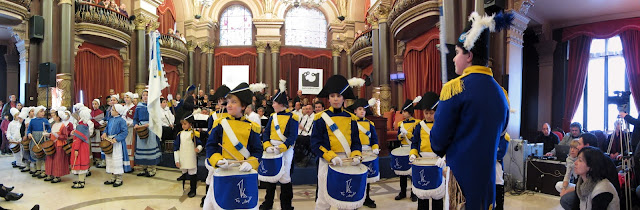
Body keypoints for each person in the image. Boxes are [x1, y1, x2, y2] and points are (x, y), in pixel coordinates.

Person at [430, 12, 512, 210]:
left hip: (461, 181)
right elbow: (502, 137)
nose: (454, 59)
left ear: (469, 56)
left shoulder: (454, 88)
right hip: (487, 181)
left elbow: (438, 141)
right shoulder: (501, 93)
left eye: (457, 52)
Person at [203, 82, 263, 210]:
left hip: (243, 172)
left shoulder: (252, 127)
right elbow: (211, 146)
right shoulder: (220, 124)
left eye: (233, 102)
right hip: (223, 170)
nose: (229, 105)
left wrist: (251, 163)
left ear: (243, 106)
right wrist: (217, 160)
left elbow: (257, 150)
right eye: (228, 101)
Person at [310, 75, 364, 210]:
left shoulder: (351, 118)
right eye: (332, 96)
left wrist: (357, 155)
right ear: (328, 98)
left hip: (347, 161)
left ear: (343, 98)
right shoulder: (320, 118)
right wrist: (330, 156)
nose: (335, 99)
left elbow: (356, 142)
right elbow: (315, 143)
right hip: (327, 161)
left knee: (346, 200)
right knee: (323, 199)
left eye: (338, 96)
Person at [259, 80, 299, 210]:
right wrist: (267, 145)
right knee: (271, 178)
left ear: (281, 104)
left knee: (285, 178)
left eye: (274, 103)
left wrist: (281, 148)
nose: (273, 105)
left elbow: (292, 137)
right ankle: (268, 203)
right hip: (271, 149)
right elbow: (266, 134)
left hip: (286, 150)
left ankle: (286, 206)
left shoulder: (293, 117)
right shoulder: (272, 116)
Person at [408, 92, 445, 209]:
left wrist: (444, 157)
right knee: (422, 195)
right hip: (422, 161)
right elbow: (414, 143)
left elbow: (446, 144)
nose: (428, 115)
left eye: (431, 113)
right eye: (426, 113)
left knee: (437, 195)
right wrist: (413, 154)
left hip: (437, 161)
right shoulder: (419, 126)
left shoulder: (442, 126)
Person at [347, 98, 380, 208]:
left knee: (367, 177)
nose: (362, 112)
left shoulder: (370, 124)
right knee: (356, 176)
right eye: (359, 109)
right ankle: (356, 197)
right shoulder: (351, 123)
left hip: (367, 153)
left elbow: (374, 139)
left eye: (364, 110)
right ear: (355, 111)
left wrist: (375, 147)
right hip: (355, 153)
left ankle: (366, 197)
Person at [559, 132, 599, 209]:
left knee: (566, 199)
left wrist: (566, 192)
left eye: (579, 145)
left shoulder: (594, 161)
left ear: (587, 146)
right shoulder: (589, 157)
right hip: (584, 186)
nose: (574, 150)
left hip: (593, 189)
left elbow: (588, 185)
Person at [395, 98, 421, 202]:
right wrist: (401, 135)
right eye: (403, 112)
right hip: (403, 149)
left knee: (412, 173)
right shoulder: (400, 123)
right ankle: (402, 192)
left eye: (405, 112)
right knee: (402, 172)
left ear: (410, 112)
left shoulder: (417, 123)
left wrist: (408, 134)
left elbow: (416, 138)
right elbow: (397, 137)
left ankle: (414, 193)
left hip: (412, 149)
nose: (403, 114)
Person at [133, 91, 162, 177]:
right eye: (144, 95)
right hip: (141, 129)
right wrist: (136, 124)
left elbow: (157, 118)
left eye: (147, 95)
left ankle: (151, 169)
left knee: (150, 147)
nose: (145, 97)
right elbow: (135, 118)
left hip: (151, 129)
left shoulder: (153, 106)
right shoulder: (139, 106)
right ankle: (142, 168)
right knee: (142, 148)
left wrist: (150, 124)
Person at [103, 103, 131, 187]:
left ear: (118, 112)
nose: (111, 111)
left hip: (117, 144)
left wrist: (116, 138)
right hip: (110, 142)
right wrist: (104, 133)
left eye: (113, 110)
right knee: (111, 160)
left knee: (117, 160)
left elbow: (125, 132)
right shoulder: (110, 120)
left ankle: (119, 178)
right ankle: (113, 176)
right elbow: (106, 129)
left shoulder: (121, 121)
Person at [174, 114, 202, 198]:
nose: (183, 126)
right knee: (184, 172)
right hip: (183, 157)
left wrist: (198, 148)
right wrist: (177, 160)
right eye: (182, 124)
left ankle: (193, 189)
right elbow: (176, 147)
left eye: (185, 124)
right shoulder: (180, 134)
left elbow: (200, 144)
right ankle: (183, 188)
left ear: (190, 124)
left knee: (192, 173)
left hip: (191, 157)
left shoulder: (194, 134)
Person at [44, 110, 70, 183]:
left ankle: (57, 176)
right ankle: (50, 174)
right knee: (50, 159)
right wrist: (47, 135)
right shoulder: (54, 125)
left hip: (59, 145)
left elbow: (65, 137)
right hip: (52, 144)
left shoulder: (62, 126)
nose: (53, 116)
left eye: (54, 115)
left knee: (57, 161)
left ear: (58, 117)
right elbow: (51, 135)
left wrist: (58, 136)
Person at [70, 107, 93, 189]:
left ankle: (81, 181)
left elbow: (78, 140)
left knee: (80, 164)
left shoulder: (80, 126)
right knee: (82, 163)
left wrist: (76, 149)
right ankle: (81, 180)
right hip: (84, 147)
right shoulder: (85, 125)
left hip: (80, 147)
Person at [26, 106, 51, 179]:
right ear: (37, 113)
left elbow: (49, 129)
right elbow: (29, 129)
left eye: (43, 111)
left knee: (43, 154)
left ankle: (44, 170)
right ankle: (38, 169)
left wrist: (47, 133)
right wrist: (29, 134)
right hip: (35, 138)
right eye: (41, 111)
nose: (43, 113)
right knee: (36, 154)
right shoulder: (33, 121)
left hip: (43, 138)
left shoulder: (45, 120)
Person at [123, 92, 136, 168]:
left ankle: (130, 165)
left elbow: (135, 119)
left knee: (130, 147)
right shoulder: (123, 107)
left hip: (130, 129)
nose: (126, 99)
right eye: (125, 97)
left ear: (131, 99)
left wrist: (129, 123)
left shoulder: (134, 107)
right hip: (123, 130)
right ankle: (124, 163)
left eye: (128, 97)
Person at [90, 99, 105, 166]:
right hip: (92, 131)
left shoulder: (101, 112)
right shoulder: (91, 112)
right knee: (92, 145)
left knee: (97, 145)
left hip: (98, 131)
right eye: (93, 104)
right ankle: (93, 158)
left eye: (95, 104)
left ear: (98, 105)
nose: (94, 105)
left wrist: (93, 121)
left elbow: (100, 122)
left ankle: (98, 158)